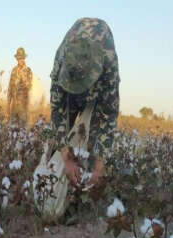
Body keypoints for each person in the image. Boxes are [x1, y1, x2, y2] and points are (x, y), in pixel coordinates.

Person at [50, 18, 120, 189]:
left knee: (92, 138)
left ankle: (82, 184)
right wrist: (66, 156)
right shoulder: (61, 60)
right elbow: (57, 110)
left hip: (98, 86)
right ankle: (53, 176)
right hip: (70, 80)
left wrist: (99, 162)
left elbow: (108, 115)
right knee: (59, 139)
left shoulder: (108, 64)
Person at [7, 47, 33, 125]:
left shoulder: (28, 70)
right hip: (14, 105)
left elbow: (29, 87)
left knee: (23, 128)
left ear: (24, 58)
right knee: (12, 127)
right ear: (17, 59)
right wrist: (8, 104)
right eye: (19, 58)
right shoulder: (14, 70)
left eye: (22, 58)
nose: (20, 59)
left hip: (23, 105)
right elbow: (10, 87)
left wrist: (23, 76)